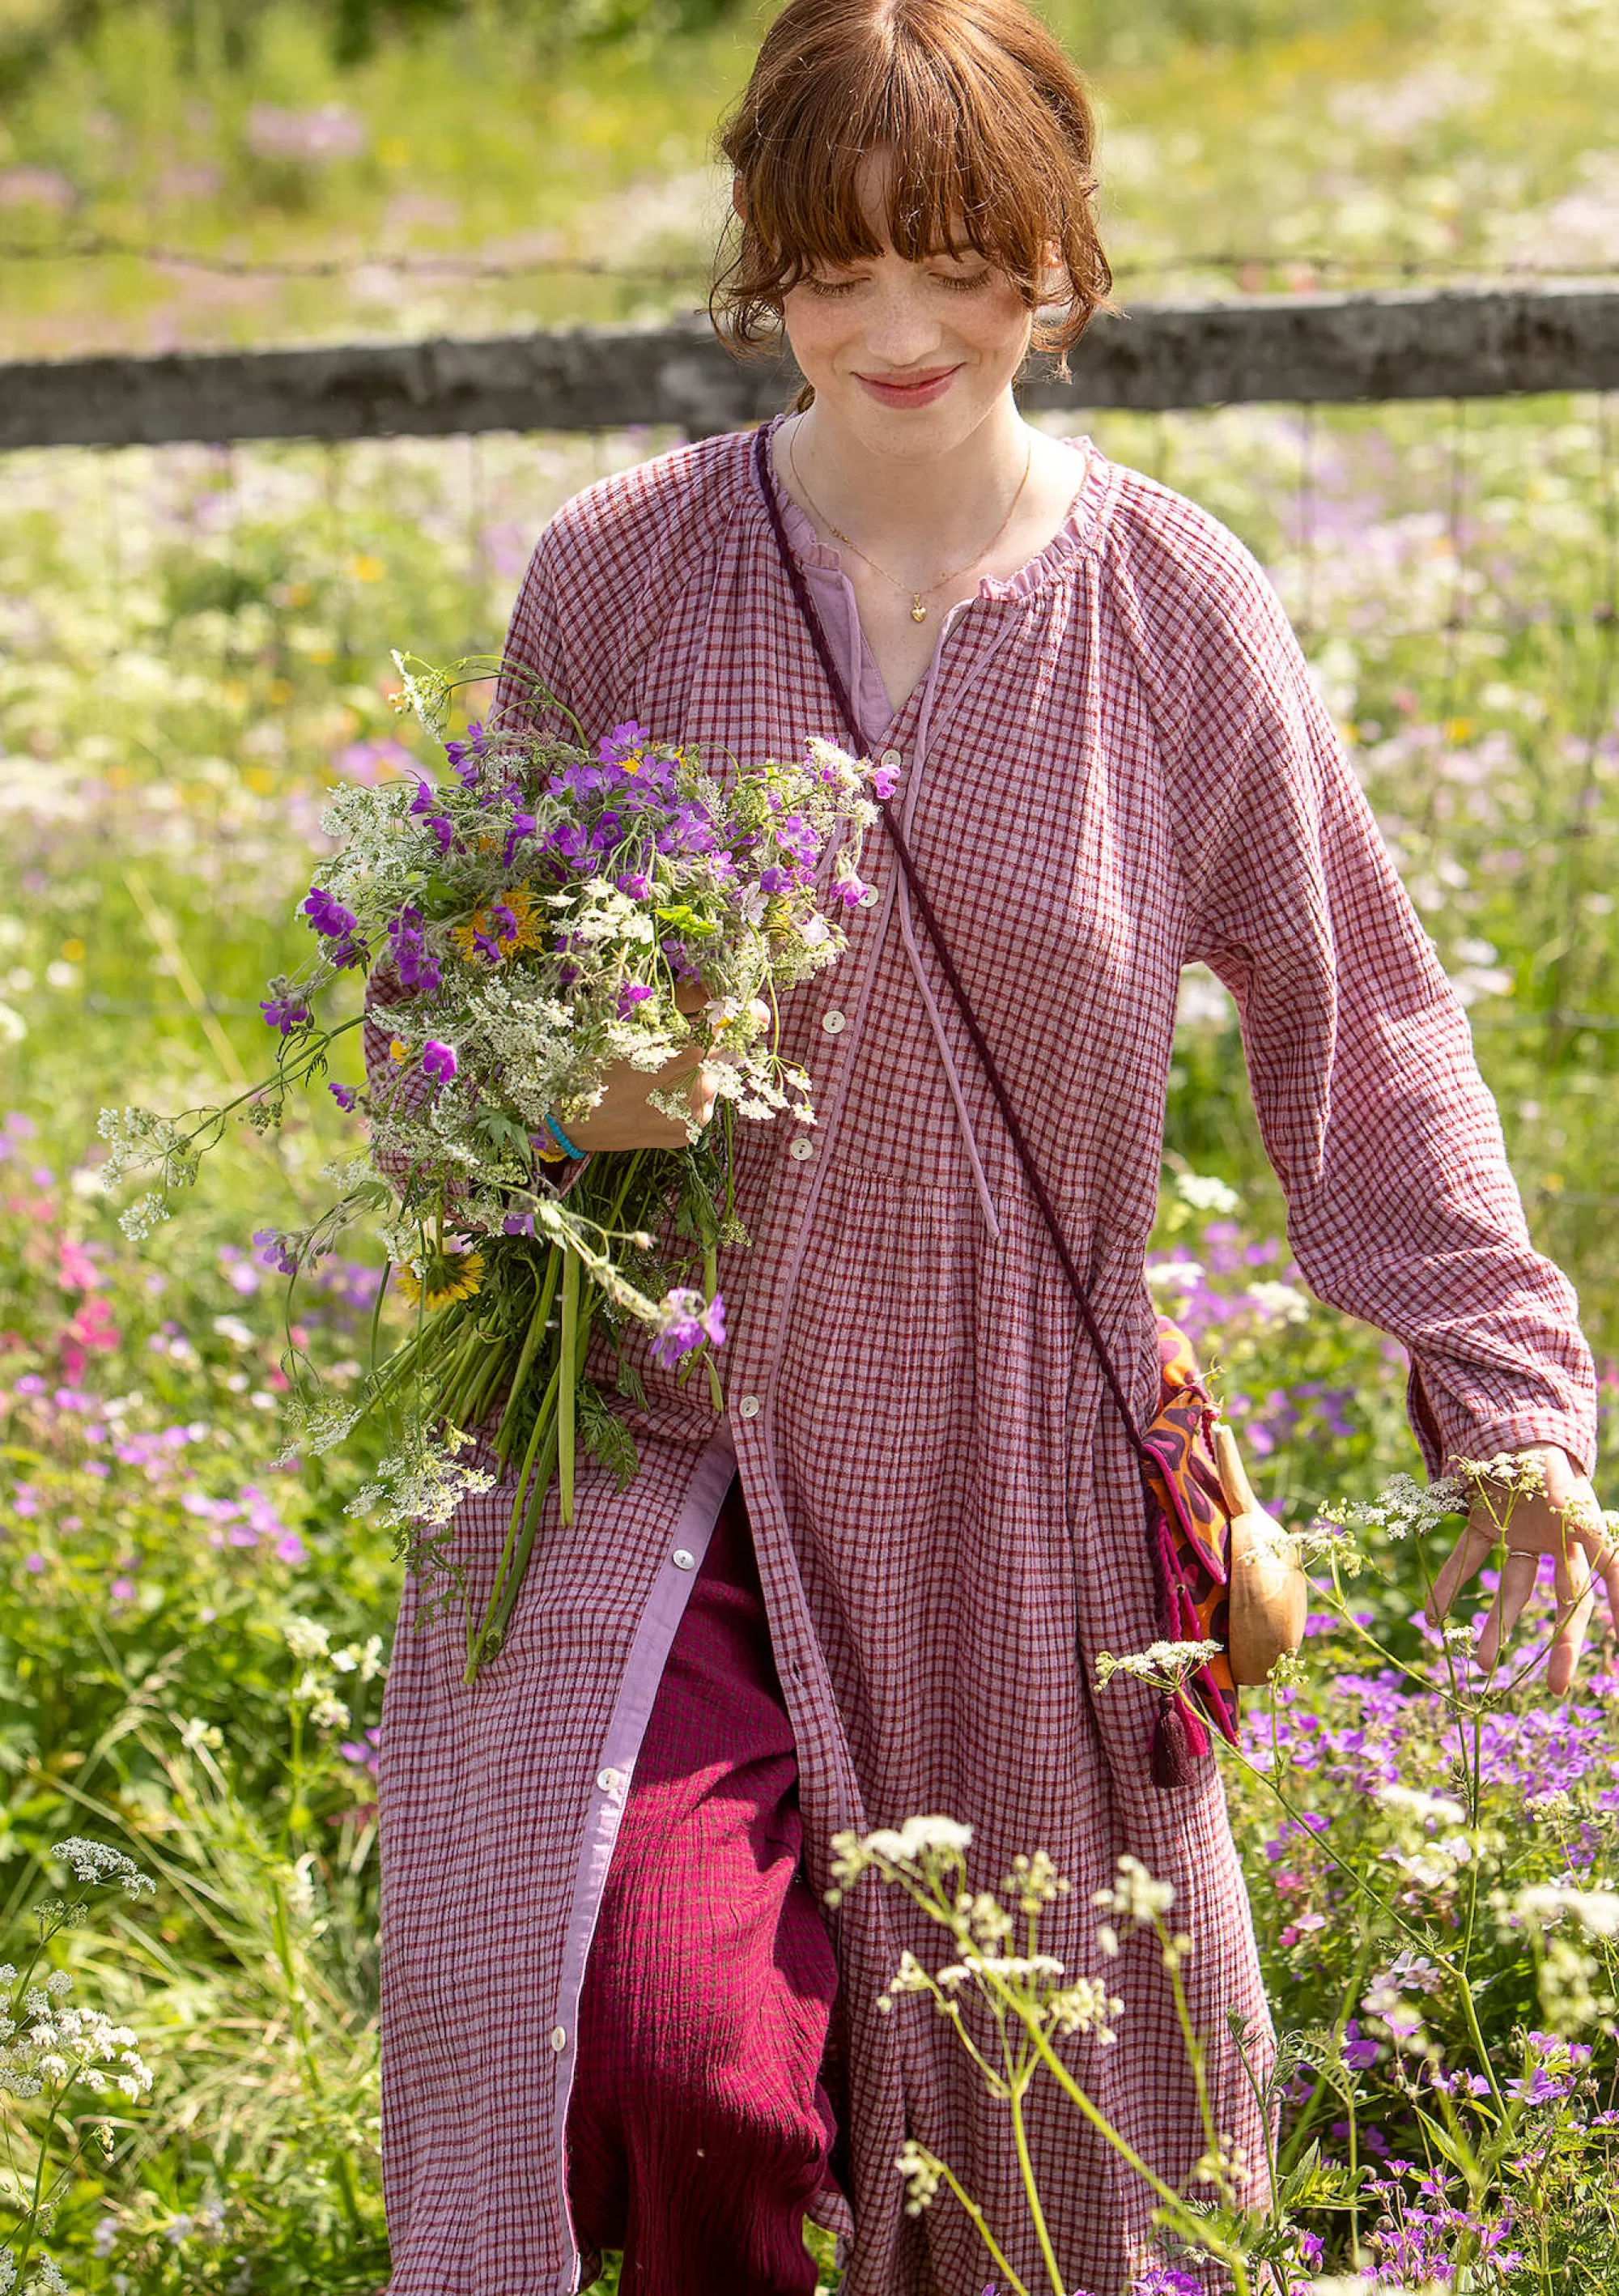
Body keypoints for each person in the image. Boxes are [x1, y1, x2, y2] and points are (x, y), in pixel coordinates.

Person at [370, 0, 1613, 2289]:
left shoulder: (1175, 607)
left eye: (957, 258)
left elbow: (1365, 1006)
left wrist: (1509, 1395)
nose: (900, 325)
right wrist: (578, 1090)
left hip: (1020, 1472)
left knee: (1052, 2163)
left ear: (1059, 260)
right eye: (833, 266)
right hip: (676, 1446)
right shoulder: (624, 575)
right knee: (671, 2067)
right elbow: (440, 1002)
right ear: (765, 268)